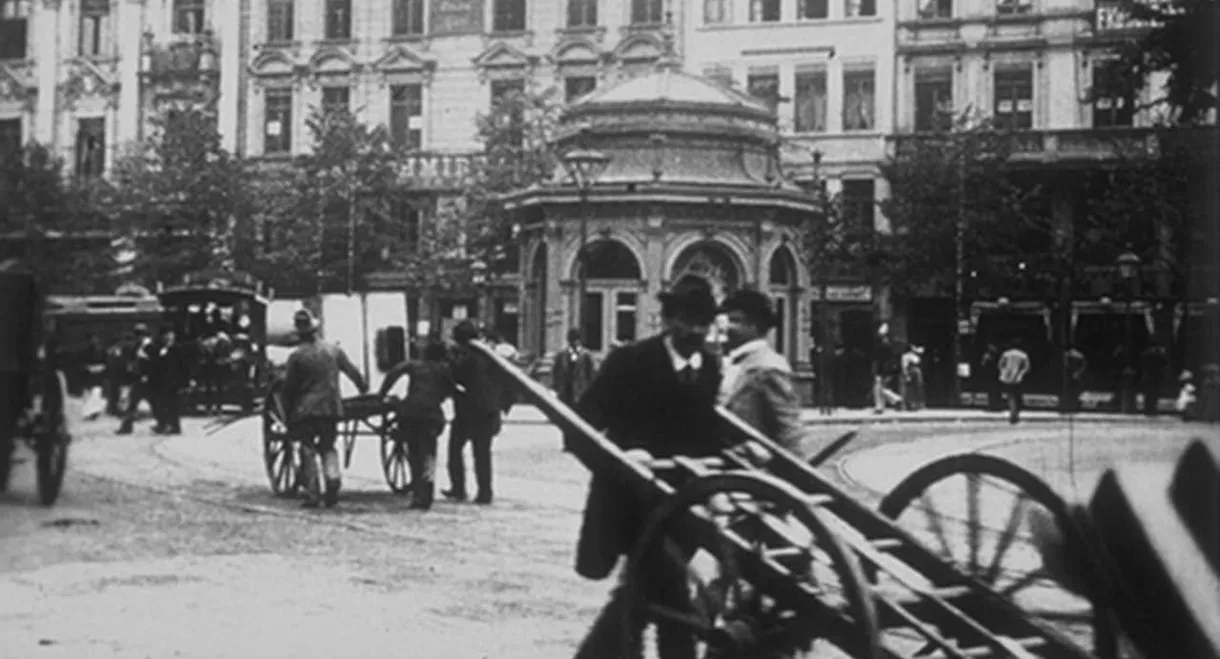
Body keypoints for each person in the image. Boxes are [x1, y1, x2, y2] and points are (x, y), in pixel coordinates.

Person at [570, 274, 745, 659]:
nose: (695, 329)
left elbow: (706, 436)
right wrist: (623, 458)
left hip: (679, 509)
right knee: (666, 597)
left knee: (647, 597)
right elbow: (579, 429)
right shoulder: (629, 362)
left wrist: (722, 473)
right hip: (628, 504)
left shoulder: (710, 369)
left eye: (703, 321)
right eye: (686, 319)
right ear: (667, 320)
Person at [280, 309, 367, 508]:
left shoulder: (297, 357)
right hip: (331, 408)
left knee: (307, 447)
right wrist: (363, 389)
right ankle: (332, 478)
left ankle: (312, 494)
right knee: (328, 445)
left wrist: (288, 414)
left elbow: (288, 389)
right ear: (317, 330)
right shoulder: (333, 350)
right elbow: (353, 372)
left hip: (307, 410)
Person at [718, 288, 806, 457]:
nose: (726, 327)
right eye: (727, 320)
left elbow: (788, 428)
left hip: (755, 466)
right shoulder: (737, 362)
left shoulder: (767, 366)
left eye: (735, 321)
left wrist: (797, 474)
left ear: (754, 325)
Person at [379, 338, 456, 510]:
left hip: (410, 412)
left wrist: (382, 394)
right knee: (429, 452)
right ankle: (426, 491)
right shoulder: (443, 369)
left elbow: (394, 372)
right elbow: (451, 390)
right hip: (430, 414)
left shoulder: (414, 365)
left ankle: (417, 491)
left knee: (414, 452)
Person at [444, 320, 512, 504]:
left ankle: (458, 489)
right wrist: (502, 406)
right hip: (488, 410)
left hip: (469, 411)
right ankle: (485, 492)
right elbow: (504, 380)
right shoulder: (491, 355)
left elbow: (456, 376)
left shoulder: (466, 355)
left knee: (455, 449)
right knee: (482, 453)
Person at [552, 328, 596, 451]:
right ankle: (568, 443)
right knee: (566, 419)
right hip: (566, 392)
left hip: (581, 393)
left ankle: (580, 443)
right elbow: (556, 372)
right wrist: (556, 387)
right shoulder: (562, 355)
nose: (574, 343)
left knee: (580, 419)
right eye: (572, 340)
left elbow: (591, 374)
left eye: (576, 340)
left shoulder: (586, 355)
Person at [116, 324, 155, 435]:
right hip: (138, 378)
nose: (139, 337)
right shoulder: (137, 346)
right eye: (137, 334)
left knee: (155, 403)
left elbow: (153, 362)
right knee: (132, 403)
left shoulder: (149, 346)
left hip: (148, 378)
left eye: (141, 334)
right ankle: (126, 426)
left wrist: (147, 373)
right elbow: (133, 360)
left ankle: (164, 423)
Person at [149, 325, 187, 435]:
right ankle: (162, 424)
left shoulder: (177, 349)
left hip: (173, 381)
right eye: (166, 335)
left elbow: (183, 365)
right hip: (161, 381)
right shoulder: (158, 348)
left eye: (171, 334)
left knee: (173, 404)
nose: (169, 337)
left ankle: (175, 426)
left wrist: (184, 380)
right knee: (160, 403)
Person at [998, 338, 1031, 425]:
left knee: (1010, 395)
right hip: (1018, 378)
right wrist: (1021, 373)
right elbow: (1027, 368)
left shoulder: (1006, 354)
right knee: (1017, 396)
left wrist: (1003, 372)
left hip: (1007, 378)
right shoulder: (1023, 355)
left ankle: (1012, 413)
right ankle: (1015, 414)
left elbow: (1000, 365)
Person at [872, 323, 902, 413]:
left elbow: (878, 358)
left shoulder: (882, 345)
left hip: (882, 369)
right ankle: (881, 406)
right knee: (881, 387)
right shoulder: (889, 344)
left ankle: (894, 399)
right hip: (886, 369)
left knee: (878, 388)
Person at [1062, 345, 1087, 413]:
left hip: (1076, 375)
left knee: (1076, 391)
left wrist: (1077, 373)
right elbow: (1066, 364)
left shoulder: (1078, 355)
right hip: (1071, 375)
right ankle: (1070, 405)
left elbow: (1083, 364)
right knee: (1070, 390)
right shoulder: (1066, 355)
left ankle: (1075, 406)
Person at [901, 344, 925, 411]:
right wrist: (907, 376)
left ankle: (918, 404)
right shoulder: (905, 356)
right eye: (913, 348)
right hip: (911, 372)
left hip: (917, 373)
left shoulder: (915, 356)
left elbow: (919, 362)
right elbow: (904, 367)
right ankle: (909, 405)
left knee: (918, 388)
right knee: (909, 389)